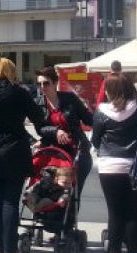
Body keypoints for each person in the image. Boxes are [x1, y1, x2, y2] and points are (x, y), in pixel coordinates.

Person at [0, 58, 47, 253]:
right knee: (10, 201)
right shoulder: (19, 93)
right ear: (10, 72)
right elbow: (38, 117)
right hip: (15, 152)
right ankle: (10, 251)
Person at [91, 75, 137, 253]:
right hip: (135, 166)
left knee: (115, 213)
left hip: (109, 166)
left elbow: (95, 140)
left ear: (110, 91)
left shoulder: (101, 112)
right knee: (133, 214)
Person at [35, 66, 94, 195]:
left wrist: (104, 117)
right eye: (39, 84)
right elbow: (39, 128)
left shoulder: (70, 99)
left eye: (46, 83)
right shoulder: (38, 104)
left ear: (55, 83)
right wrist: (56, 131)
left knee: (73, 194)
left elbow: (89, 120)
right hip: (53, 154)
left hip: (76, 151)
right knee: (50, 192)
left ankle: (71, 208)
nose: (42, 87)